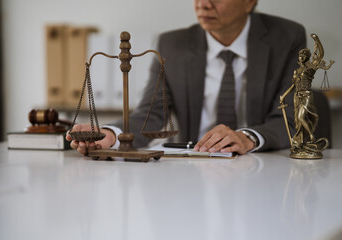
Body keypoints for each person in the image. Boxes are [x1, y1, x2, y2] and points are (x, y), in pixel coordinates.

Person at [67, 0, 307, 156]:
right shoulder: (172, 45)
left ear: (249, 2)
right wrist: (112, 133)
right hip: (196, 167)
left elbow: (290, 119)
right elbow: (151, 115)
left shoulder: (286, 37)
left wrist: (246, 137)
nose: (203, 5)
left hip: (262, 166)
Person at [279, 34, 334, 154]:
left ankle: (311, 136)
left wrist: (317, 40)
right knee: (298, 122)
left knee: (301, 117)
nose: (301, 57)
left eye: (303, 55)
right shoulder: (296, 71)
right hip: (296, 96)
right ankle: (302, 144)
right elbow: (293, 86)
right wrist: (284, 95)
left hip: (306, 95)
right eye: (300, 55)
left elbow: (320, 54)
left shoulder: (310, 68)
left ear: (307, 57)